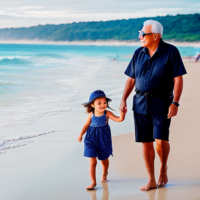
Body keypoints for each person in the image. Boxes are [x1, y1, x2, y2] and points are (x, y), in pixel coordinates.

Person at [120, 20, 187, 191]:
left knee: (160, 139)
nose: (140, 36)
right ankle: (150, 179)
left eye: (143, 34)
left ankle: (163, 167)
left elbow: (178, 78)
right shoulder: (138, 53)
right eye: (140, 33)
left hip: (163, 102)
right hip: (140, 103)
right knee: (146, 141)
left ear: (155, 36)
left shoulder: (171, 51)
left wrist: (175, 102)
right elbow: (131, 79)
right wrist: (123, 99)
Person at [78, 90, 126, 190]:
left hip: (103, 139)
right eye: (99, 103)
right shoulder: (91, 114)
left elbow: (119, 119)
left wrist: (122, 114)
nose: (102, 105)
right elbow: (86, 125)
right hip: (90, 139)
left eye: (104, 103)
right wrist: (81, 134)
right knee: (93, 161)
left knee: (104, 160)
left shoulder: (107, 113)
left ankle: (104, 173)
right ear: (92, 104)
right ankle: (93, 182)